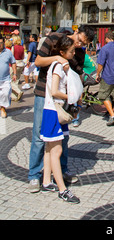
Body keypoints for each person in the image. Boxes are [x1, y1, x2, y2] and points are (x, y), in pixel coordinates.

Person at [28, 25, 95, 193]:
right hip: (44, 93)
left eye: (83, 44)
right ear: (76, 32)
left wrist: (77, 101)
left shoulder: (79, 52)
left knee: (63, 137)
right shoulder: (54, 38)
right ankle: (34, 175)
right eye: (79, 40)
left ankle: (62, 171)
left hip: (63, 100)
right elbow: (38, 61)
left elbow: (78, 75)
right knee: (38, 135)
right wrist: (57, 58)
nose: (79, 45)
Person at [40, 35, 80, 203]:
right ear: (63, 52)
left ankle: (46, 182)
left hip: (52, 110)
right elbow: (54, 91)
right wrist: (72, 96)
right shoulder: (57, 67)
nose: (74, 53)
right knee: (57, 150)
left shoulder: (60, 65)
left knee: (49, 149)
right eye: (71, 51)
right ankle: (62, 190)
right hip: (54, 110)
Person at [96, 30, 114, 126]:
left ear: (107, 38)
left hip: (107, 76)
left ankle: (112, 116)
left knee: (104, 95)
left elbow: (101, 63)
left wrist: (97, 74)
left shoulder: (104, 49)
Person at [0, 35, 17, 118]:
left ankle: (3, 108)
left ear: (3, 43)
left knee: (6, 93)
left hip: (5, 79)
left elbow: (13, 62)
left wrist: (14, 73)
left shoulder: (8, 52)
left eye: (1, 43)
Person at [11, 35, 24, 101]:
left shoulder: (14, 47)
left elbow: (11, 57)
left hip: (15, 64)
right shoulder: (22, 47)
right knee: (17, 80)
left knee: (11, 80)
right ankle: (15, 96)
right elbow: (23, 57)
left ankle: (18, 92)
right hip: (21, 64)